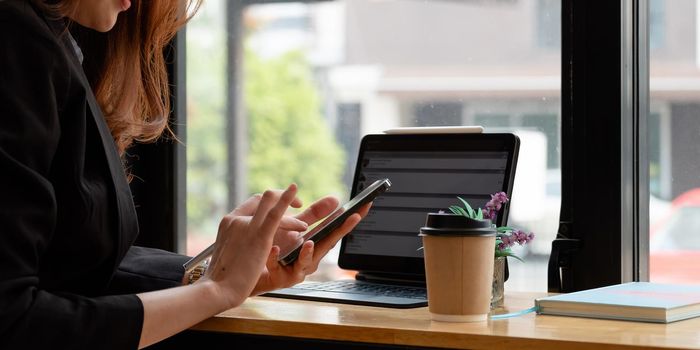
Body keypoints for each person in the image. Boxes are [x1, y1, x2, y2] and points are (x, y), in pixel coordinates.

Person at [0, 0, 370, 349]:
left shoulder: (51, 41)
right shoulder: (17, 40)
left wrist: (217, 268)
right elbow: (15, 320)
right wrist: (215, 290)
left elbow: (66, 266)